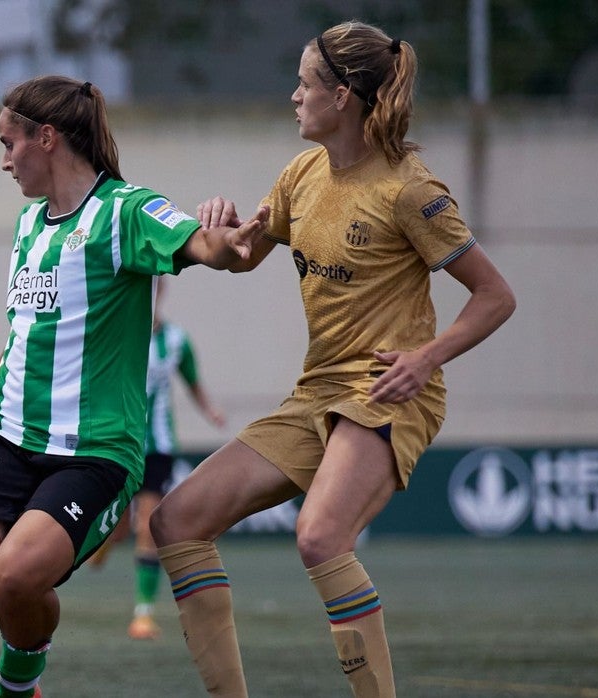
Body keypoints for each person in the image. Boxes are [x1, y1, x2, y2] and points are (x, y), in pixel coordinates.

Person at [149, 22, 516, 698]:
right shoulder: (301, 174)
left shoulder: (411, 191)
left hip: (386, 390)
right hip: (316, 395)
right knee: (176, 521)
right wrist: (216, 227)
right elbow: (239, 256)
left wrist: (427, 359)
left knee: (320, 537)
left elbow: (495, 297)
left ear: (342, 97)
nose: (293, 96)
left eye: (304, 83)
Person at [0, 75, 270, 698]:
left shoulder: (126, 212)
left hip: (95, 452)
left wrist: (231, 238)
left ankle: (19, 687)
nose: (3, 161)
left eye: (8, 143)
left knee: (17, 577)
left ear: (45, 138)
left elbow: (206, 245)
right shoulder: (28, 226)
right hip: (4, 431)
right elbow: (34, 327)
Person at [89, 280, 227, 641]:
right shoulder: (115, 328)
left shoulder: (177, 340)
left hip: (159, 447)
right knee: (118, 527)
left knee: (149, 525)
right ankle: (105, 540)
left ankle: (143, 613)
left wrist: (210, 410)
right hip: (117, 443)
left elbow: (192, 380)